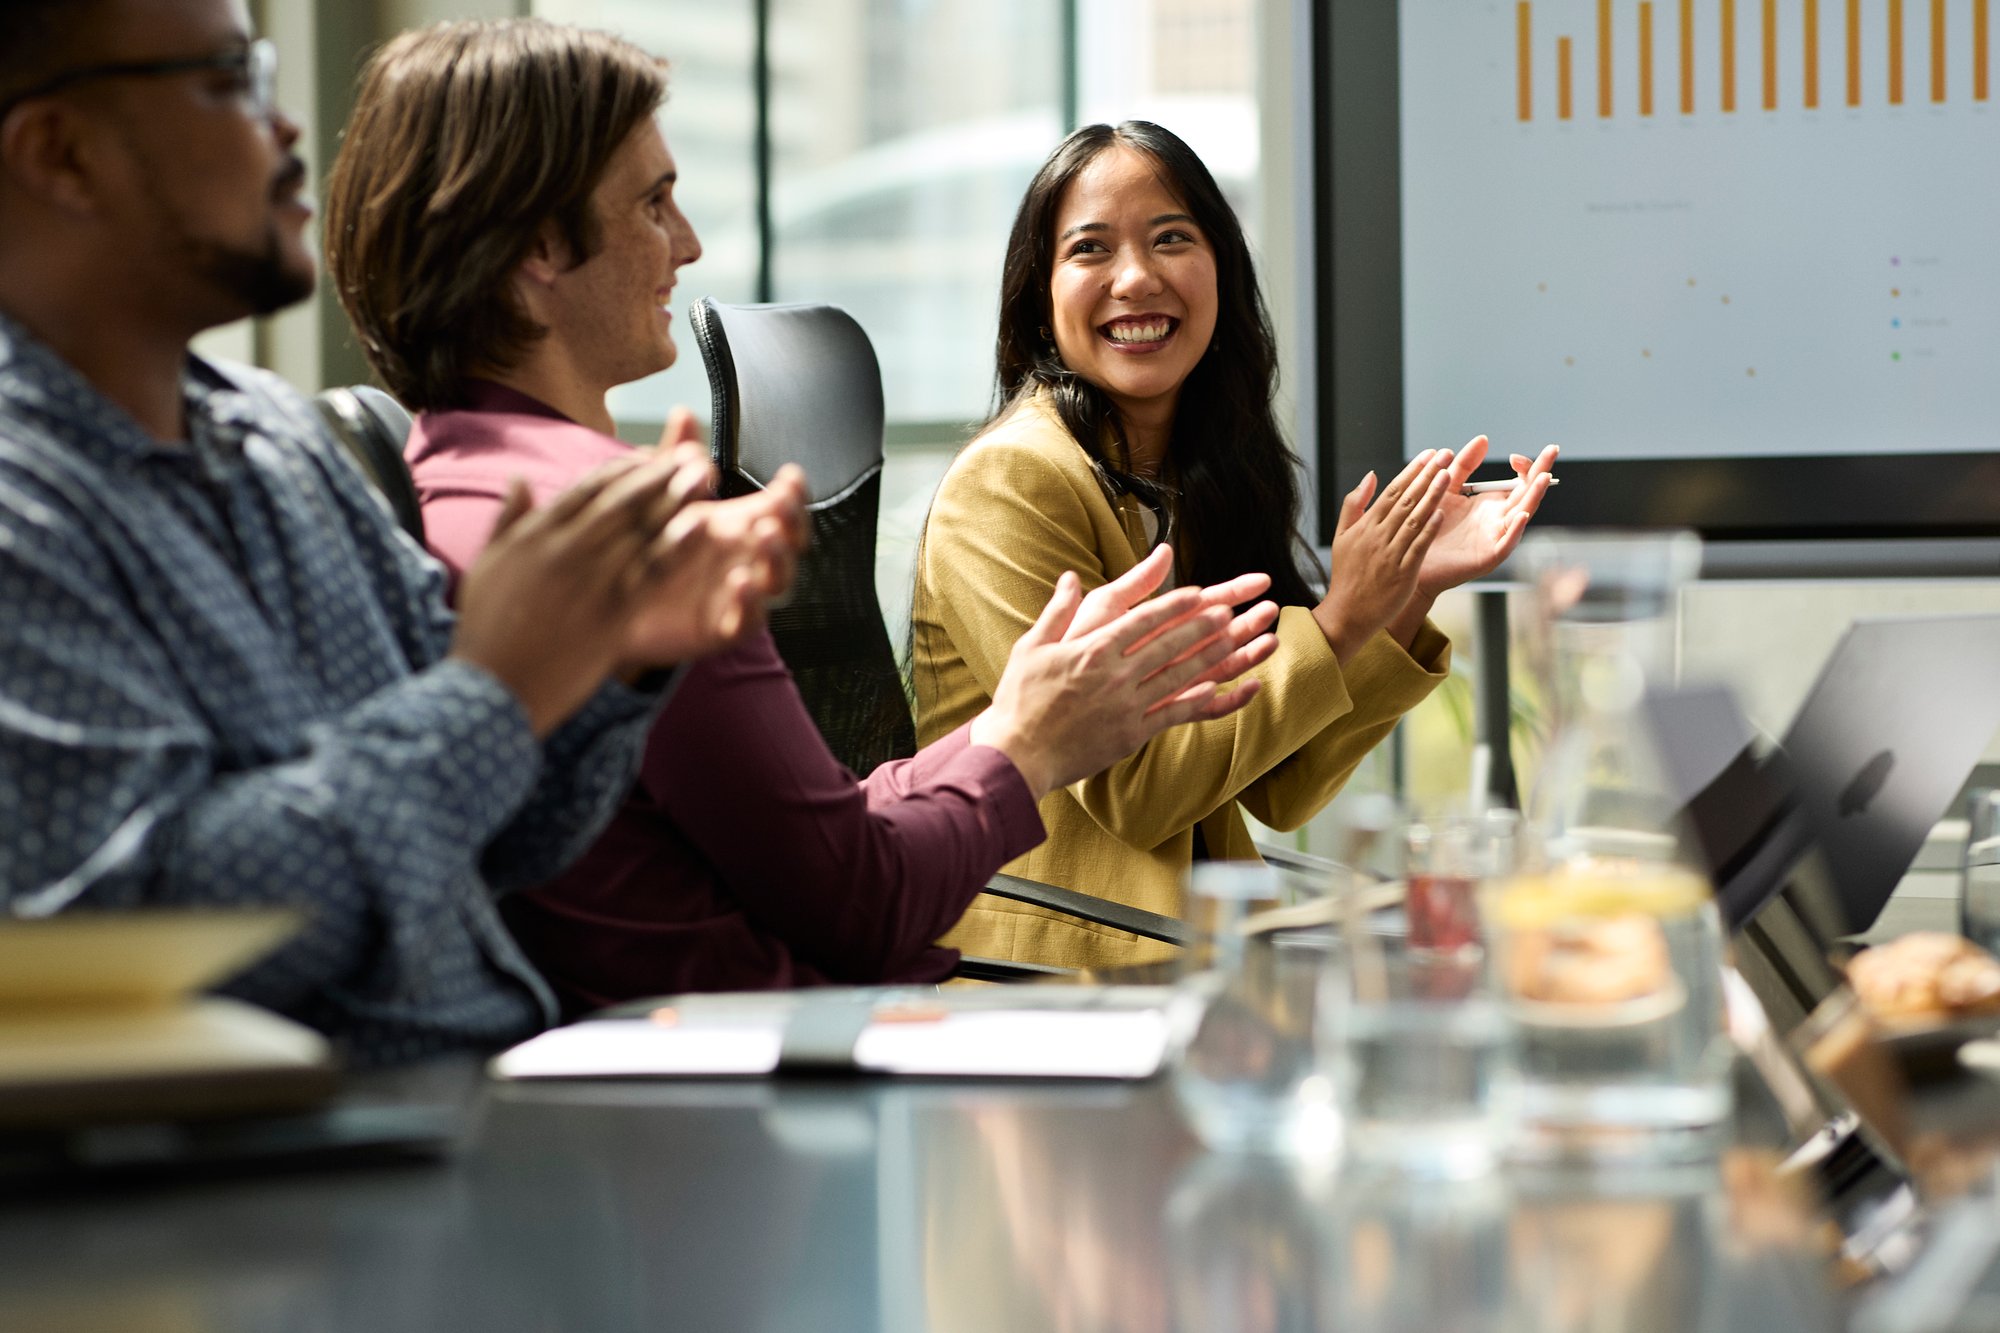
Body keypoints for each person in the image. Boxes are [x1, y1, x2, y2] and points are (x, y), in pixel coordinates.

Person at [322, 19, 1282, 1012]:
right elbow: (858, 898)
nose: (687, 244)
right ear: (536, 248)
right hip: (783, 1067)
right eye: (653, 205)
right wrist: (1027, 749)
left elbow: (817, 842)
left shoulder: (457, 488)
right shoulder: (629, 531)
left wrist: (1010, 726)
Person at [0, 0, 807, 1064]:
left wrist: (606, 664)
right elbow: (148, 935)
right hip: (278, 1168)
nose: (286, 128)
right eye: (230, 80)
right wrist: (498, 693)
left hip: (474, 1105)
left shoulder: (276, 437)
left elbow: (503, 832)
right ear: (64, 153)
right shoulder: (25, 500)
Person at [912, 120, 1558, 970]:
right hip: (1043, 983)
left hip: (1183, 964)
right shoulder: (1010, 485)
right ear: (1041, 295)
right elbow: (1137, 791)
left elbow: (1277, 784)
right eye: (1091, 249)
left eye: (1171, 238)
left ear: (1222, 270)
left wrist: (1404, 595)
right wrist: (1339, 619)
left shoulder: (1193, 474)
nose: (1136, 278)